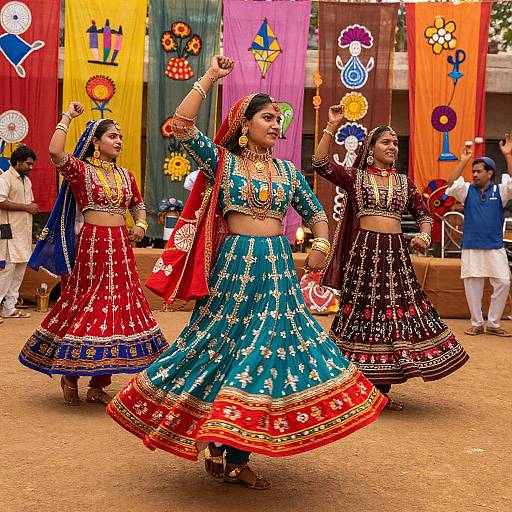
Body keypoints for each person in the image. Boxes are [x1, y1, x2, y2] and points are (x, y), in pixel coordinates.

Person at [107, 56, 387, 490]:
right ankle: (218, 439)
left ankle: (234, 450)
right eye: (268, 118)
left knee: (266, 353)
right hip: (234, 270)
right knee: (222, 349)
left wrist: (322, 244)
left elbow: (316, 213)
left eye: (279, 119)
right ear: (244, 123)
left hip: (276, 269)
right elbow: (180, 127)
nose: (277, 125)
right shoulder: (223, 162)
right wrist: (209, 77)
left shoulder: (288, 171)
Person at [312, 105, 469, 410]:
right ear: (370, 149)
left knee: (394, 314)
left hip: (396, 256)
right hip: (365, 255)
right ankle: (359, 386)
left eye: (395, 143)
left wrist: (424, 233)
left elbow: (424, 214)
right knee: (362, 314)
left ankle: (382, 389)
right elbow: (320, 163)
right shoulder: (355, 177)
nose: (392, 147)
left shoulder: (403, 183)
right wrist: (332, 125)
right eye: (386, 142)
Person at [19, 103, 168, 406]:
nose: (119, 141)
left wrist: (140, 224)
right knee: (87, 304)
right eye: (113, 136)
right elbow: (56, 153)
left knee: (120, 309)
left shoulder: (126, 175)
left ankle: (99, 383)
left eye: (121, 137)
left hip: (121, 248)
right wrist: (67, 117)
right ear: (96, 142)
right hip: (92, 246)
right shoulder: (82, 171)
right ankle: (70, 375)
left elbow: (137, 204)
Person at [445, 134, 512, 337]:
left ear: (489, 173)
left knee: (503, 282)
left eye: (478, 171)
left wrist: (508, 155)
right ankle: (476, 322)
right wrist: (463, 161)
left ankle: (493, 323)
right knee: (472, 286)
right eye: (472, 171)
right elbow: (450, 184)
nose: (474, 175)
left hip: (495, 246)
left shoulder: (500, 191)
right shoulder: (466, 190)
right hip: (472, 246)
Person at [0, 145, 39, 321]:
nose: (31, 168)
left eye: (32, 164)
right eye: (28, 164)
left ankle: (9, 308)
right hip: (8, 232)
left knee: (18, 272)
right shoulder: (5, 178)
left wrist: (29, 209)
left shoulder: (26, 181)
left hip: (23, 233)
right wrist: (26, 207)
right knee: (6, 271)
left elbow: (28, 205)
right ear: (17, 162)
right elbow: (0, 202)